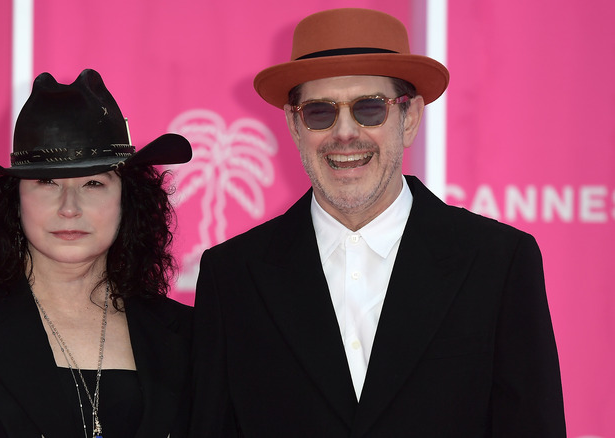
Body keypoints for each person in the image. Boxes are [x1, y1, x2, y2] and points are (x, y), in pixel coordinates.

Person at [190, 8, 565, 437]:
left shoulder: (499, 263)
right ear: (294, 126)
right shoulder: (233, 275)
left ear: (410, 119)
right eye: (319, 112)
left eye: (370, 109)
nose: (345, 133)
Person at [0, 69, 193, 438]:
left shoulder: (191, 335)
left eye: (93, 183)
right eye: (47, 183)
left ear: (128, 200)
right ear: (14, 201)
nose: (69, 207)